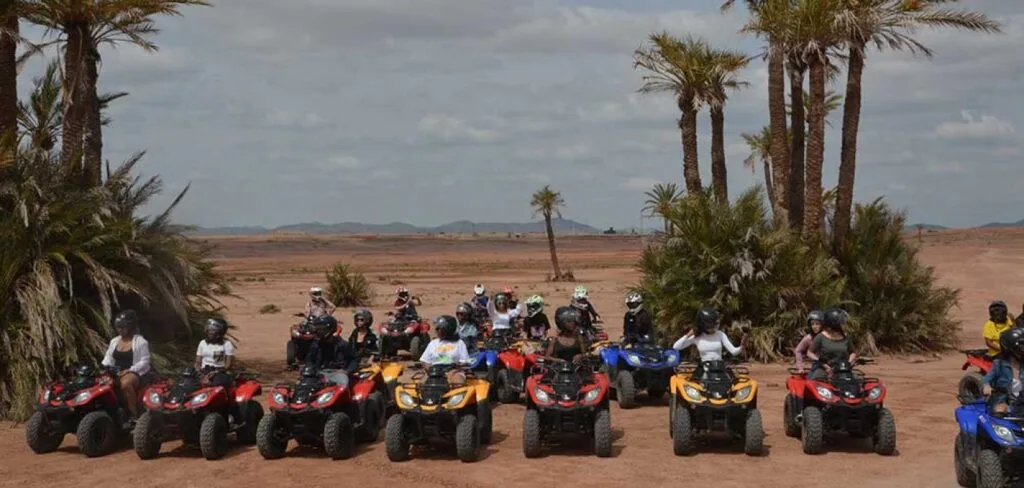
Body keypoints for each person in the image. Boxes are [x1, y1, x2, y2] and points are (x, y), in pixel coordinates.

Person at [101, 310, 152, 419]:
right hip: (116, 371)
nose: (120, 329)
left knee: (125, 383)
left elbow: (145, 361)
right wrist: (105, 368)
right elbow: (108, 358)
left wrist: (130, 370)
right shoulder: (114, 341)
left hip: (134, 371)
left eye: (123, 327)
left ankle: (133, 414)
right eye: (118, 327)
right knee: (101, 383)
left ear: (131, 326)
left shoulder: (141, 342)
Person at [672, 308, 743, 361]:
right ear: (703, 326)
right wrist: (687, 335)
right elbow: (676, 347)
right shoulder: (697, 337)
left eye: (715, 325)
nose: (714, 328)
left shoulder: (720, 334)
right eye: (711, 326)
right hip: (705, 370)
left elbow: (734, 352)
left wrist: (742, 346)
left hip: (719, 369)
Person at [805, 307, 857, 380]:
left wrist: (848, 363)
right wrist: (822, 363)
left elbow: (853, 352)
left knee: (858, 383)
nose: (844, 324)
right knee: (814, 383)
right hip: (825, 370)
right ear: (834, 324)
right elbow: (809, 352)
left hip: (843, 370)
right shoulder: (821, 337)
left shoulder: (846, 337)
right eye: (842, 323)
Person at [982, 327, 1024, 416]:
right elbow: (986, 378)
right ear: (1009, 348)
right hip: (1003, 401)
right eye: (1021, 346)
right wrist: (986, 386)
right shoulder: (999, 364)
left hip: (1021, 402)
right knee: (999, 412)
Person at [420, 315, 471, 384]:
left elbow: (465, 361)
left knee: (458, 382)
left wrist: (457, 366)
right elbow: (424, 361)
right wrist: (430, 369)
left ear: (447, 329)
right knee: (420, 385)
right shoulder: (433, 343)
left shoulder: (459, 343)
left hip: (452, 371)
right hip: (434, 372)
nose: (436, 330)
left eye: (438, 328)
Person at [194, 318, 235, 389]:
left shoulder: (226, 344)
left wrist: (215, 372)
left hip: (219, 372)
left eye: (212, 330)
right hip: (204, 371)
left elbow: (228, 365)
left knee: (216, 385)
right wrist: (199, 372)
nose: (209, 332)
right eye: (209, 329)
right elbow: (198, 362)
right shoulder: (202, 343)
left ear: (220, 332)